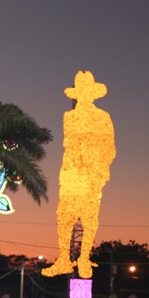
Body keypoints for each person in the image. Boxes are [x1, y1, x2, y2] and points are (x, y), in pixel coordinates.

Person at [42, 71, 116, 279]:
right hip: (72, 173)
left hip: (92, 173)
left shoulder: (103, 117)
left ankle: (84, 258)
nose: (83, 96)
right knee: (65, 216)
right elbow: (70, 144)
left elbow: (109, 147)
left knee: (89, 217)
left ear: (92, 94)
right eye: (80, 92)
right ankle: (64, 259)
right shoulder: (70, 116)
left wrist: (100, 171)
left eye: (86, 92)